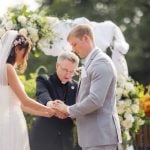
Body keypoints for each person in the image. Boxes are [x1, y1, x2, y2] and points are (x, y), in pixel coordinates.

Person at [53, 24, 122, 150]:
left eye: (74, 44)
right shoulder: (92, 62)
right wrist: (66, 111)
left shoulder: (101, 63)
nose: (73, 50)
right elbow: (84, 97)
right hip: (93, 138)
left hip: (101, 139)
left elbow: (95, 100)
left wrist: (68, 109)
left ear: (86, 38)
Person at [0, 30, 54, 150]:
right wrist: (48, 108)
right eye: (26, 52)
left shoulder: (6, 68)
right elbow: (25, 101)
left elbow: (21, 105)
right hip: (11, 123)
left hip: (10, 120)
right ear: (17, 49)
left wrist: (47, 113)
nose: (27, 57)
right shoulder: (8, 68)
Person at [30, 52, 79, 150]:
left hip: (66, 141)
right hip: (43, 138)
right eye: (65, 70)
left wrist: (67, 112)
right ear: (57, 66)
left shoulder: (77, 86)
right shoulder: (44, 79)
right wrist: (51, 104)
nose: (68, 74)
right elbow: (42, 94)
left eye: (72, 71)